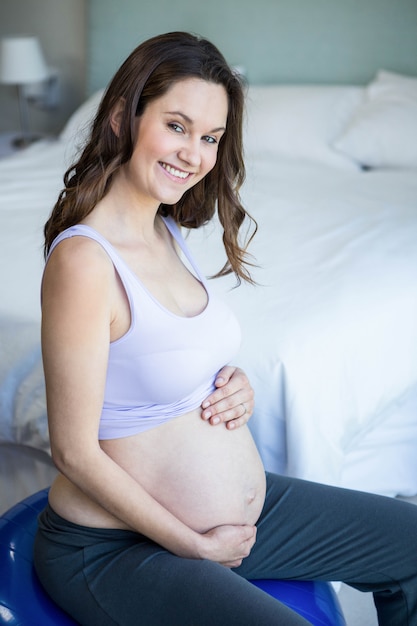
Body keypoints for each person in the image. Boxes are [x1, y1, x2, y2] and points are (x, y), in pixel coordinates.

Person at [34, 31, 417, 626]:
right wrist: (194, 545)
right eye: (178, 126)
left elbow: (157, 362)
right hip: (114, 550)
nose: (194, 154)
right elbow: (73, 451)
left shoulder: (168, 233)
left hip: (230, 524)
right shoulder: (84, 261)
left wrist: (230, 380)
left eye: (211, 137)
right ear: (121, 119)